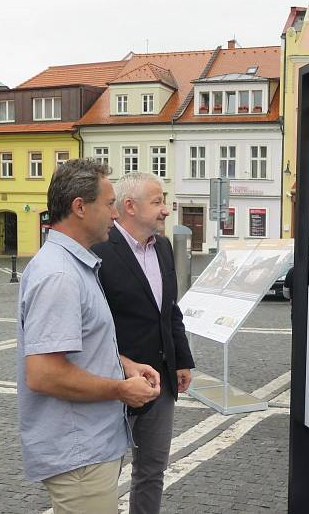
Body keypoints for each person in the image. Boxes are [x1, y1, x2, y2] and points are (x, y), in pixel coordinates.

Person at [17, 159, 161, 514]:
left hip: (88, 445)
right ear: (80, 207)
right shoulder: (60, 276)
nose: (115, 214)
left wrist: (124, 365)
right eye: (109, 203)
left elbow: (80, 345)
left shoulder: (73, 266)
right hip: (78, 451)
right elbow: (44, 373)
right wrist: (119, 389)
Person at [92, 172, 195, 514]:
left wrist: (181, 359)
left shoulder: (163, 247)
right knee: (105, 473)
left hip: (161, 381)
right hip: (115, 382)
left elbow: (169, 311)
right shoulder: (100, 251)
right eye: (158, 202)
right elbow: (92, 323)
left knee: (152, 471)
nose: (166, 210)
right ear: (130, 207)